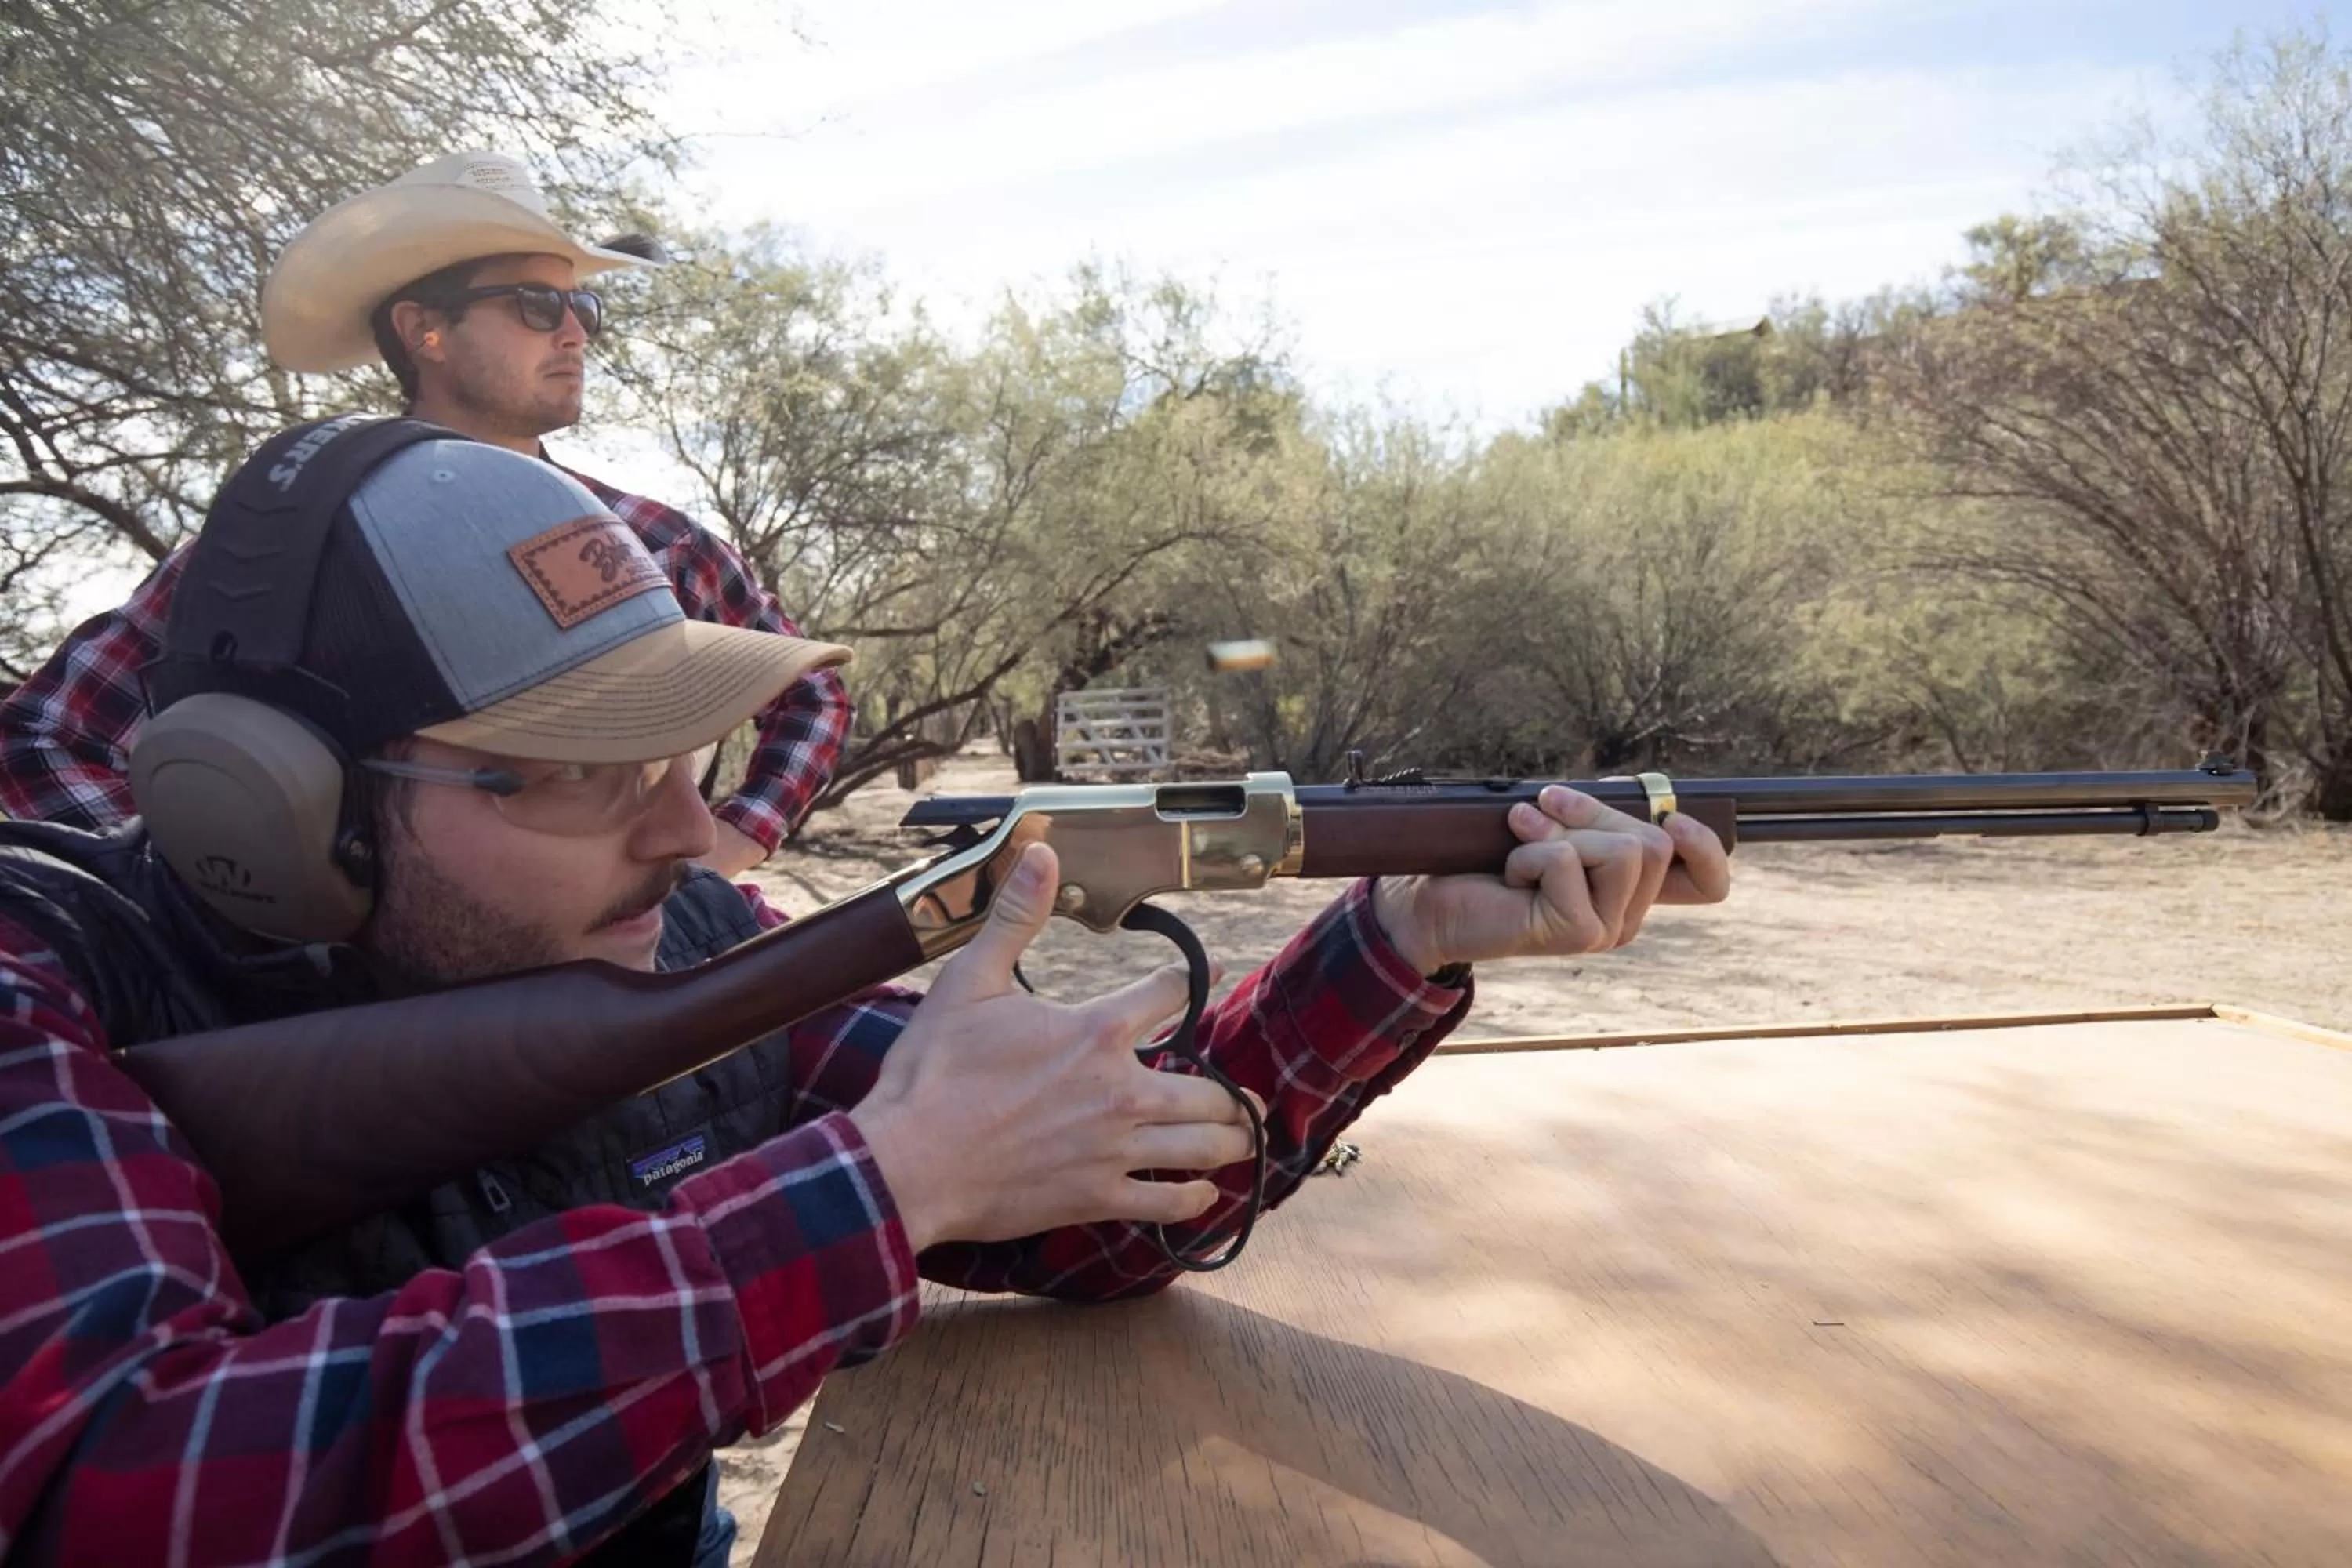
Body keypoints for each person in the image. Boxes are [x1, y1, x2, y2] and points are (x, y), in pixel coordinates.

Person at [0, 419, 1733, 1565]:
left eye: (703, 751)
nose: (695, 832)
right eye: (595, 773)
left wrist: (1402, 937)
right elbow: (122, 1486)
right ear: (280, 807)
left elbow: (1100, 1222)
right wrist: (876, 1190)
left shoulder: (674, 945)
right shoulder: (44, 979)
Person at [0, 150, 840, 877]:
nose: (575, 334)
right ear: (424, 331)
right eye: (536, 306)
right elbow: (44, 737)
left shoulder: (653, 540)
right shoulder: (291, 546)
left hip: (627, 1005)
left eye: (582, 307)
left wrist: (734, 842)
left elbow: (813, 688)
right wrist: (225, 901)